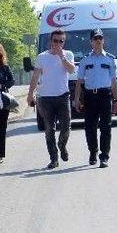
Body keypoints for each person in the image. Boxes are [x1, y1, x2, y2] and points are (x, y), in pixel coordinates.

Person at [27, 29, 76, 169]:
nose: (58, 44)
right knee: (49, 129)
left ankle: (62, 145)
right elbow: (35, 76)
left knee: (66, 127)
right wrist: (30, 94)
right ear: (51, 41)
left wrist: (62, 57)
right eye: (55, 41)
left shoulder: (68, 54)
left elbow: (72, 70)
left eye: (61, 41)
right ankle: (54, 159)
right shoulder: (42, 57)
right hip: (45, 98)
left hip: (62, 96)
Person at [73, 28, 117, 168]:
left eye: (100, 38)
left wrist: (116, 100)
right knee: (90, 127)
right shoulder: (85, 60)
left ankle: (104, 156)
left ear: (103, 41)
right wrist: (77, 99)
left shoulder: (110, 59)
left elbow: (114, 81)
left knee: (106, 127)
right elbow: (79, 81)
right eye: (95, 39)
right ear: (91, 42)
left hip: (105, 96)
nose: (98, 41)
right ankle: (93, 151)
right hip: (90, 97)